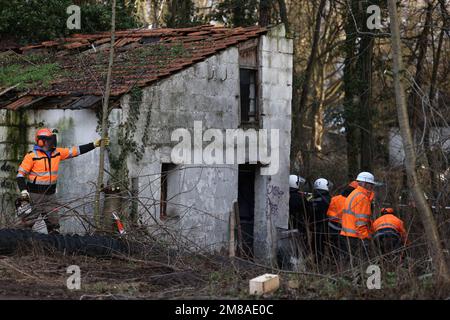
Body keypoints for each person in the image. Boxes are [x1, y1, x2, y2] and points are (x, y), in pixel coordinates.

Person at [16, 128, 109, 234]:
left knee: (54, 224)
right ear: (41, 141)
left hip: (50, 196)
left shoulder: (57, 153)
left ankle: (52, 246)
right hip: (35, 196)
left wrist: (93, 144)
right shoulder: (32, 156)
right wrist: (23, 190)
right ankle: (18, 243)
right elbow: (20, 175)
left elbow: (74, 151)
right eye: (49, 139)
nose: (52, 141)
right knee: (27, 223)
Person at [340, 172, 377, 266]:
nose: (372, 187)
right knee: (359, 265)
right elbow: (361, 223)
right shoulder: (362, 197)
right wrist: (366, 239)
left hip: (347, 235)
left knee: (349, 265)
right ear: (364, 183)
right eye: (370, 184)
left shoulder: (354, 194)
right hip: (356, 238)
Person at [326, 180, 359, 262]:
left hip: (331, 227)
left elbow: (328, 212)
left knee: (333, 249)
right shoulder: (354, 202)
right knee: (344, 250)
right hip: (344, 230)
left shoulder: (335, 198)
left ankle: (332, 263)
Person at [308, 178, 331, 265]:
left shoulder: (311, 198)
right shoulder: (328, 199)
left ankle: (317, 264)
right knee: (329, 248)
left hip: (314, 228)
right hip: (327, 227)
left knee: (316, 248)